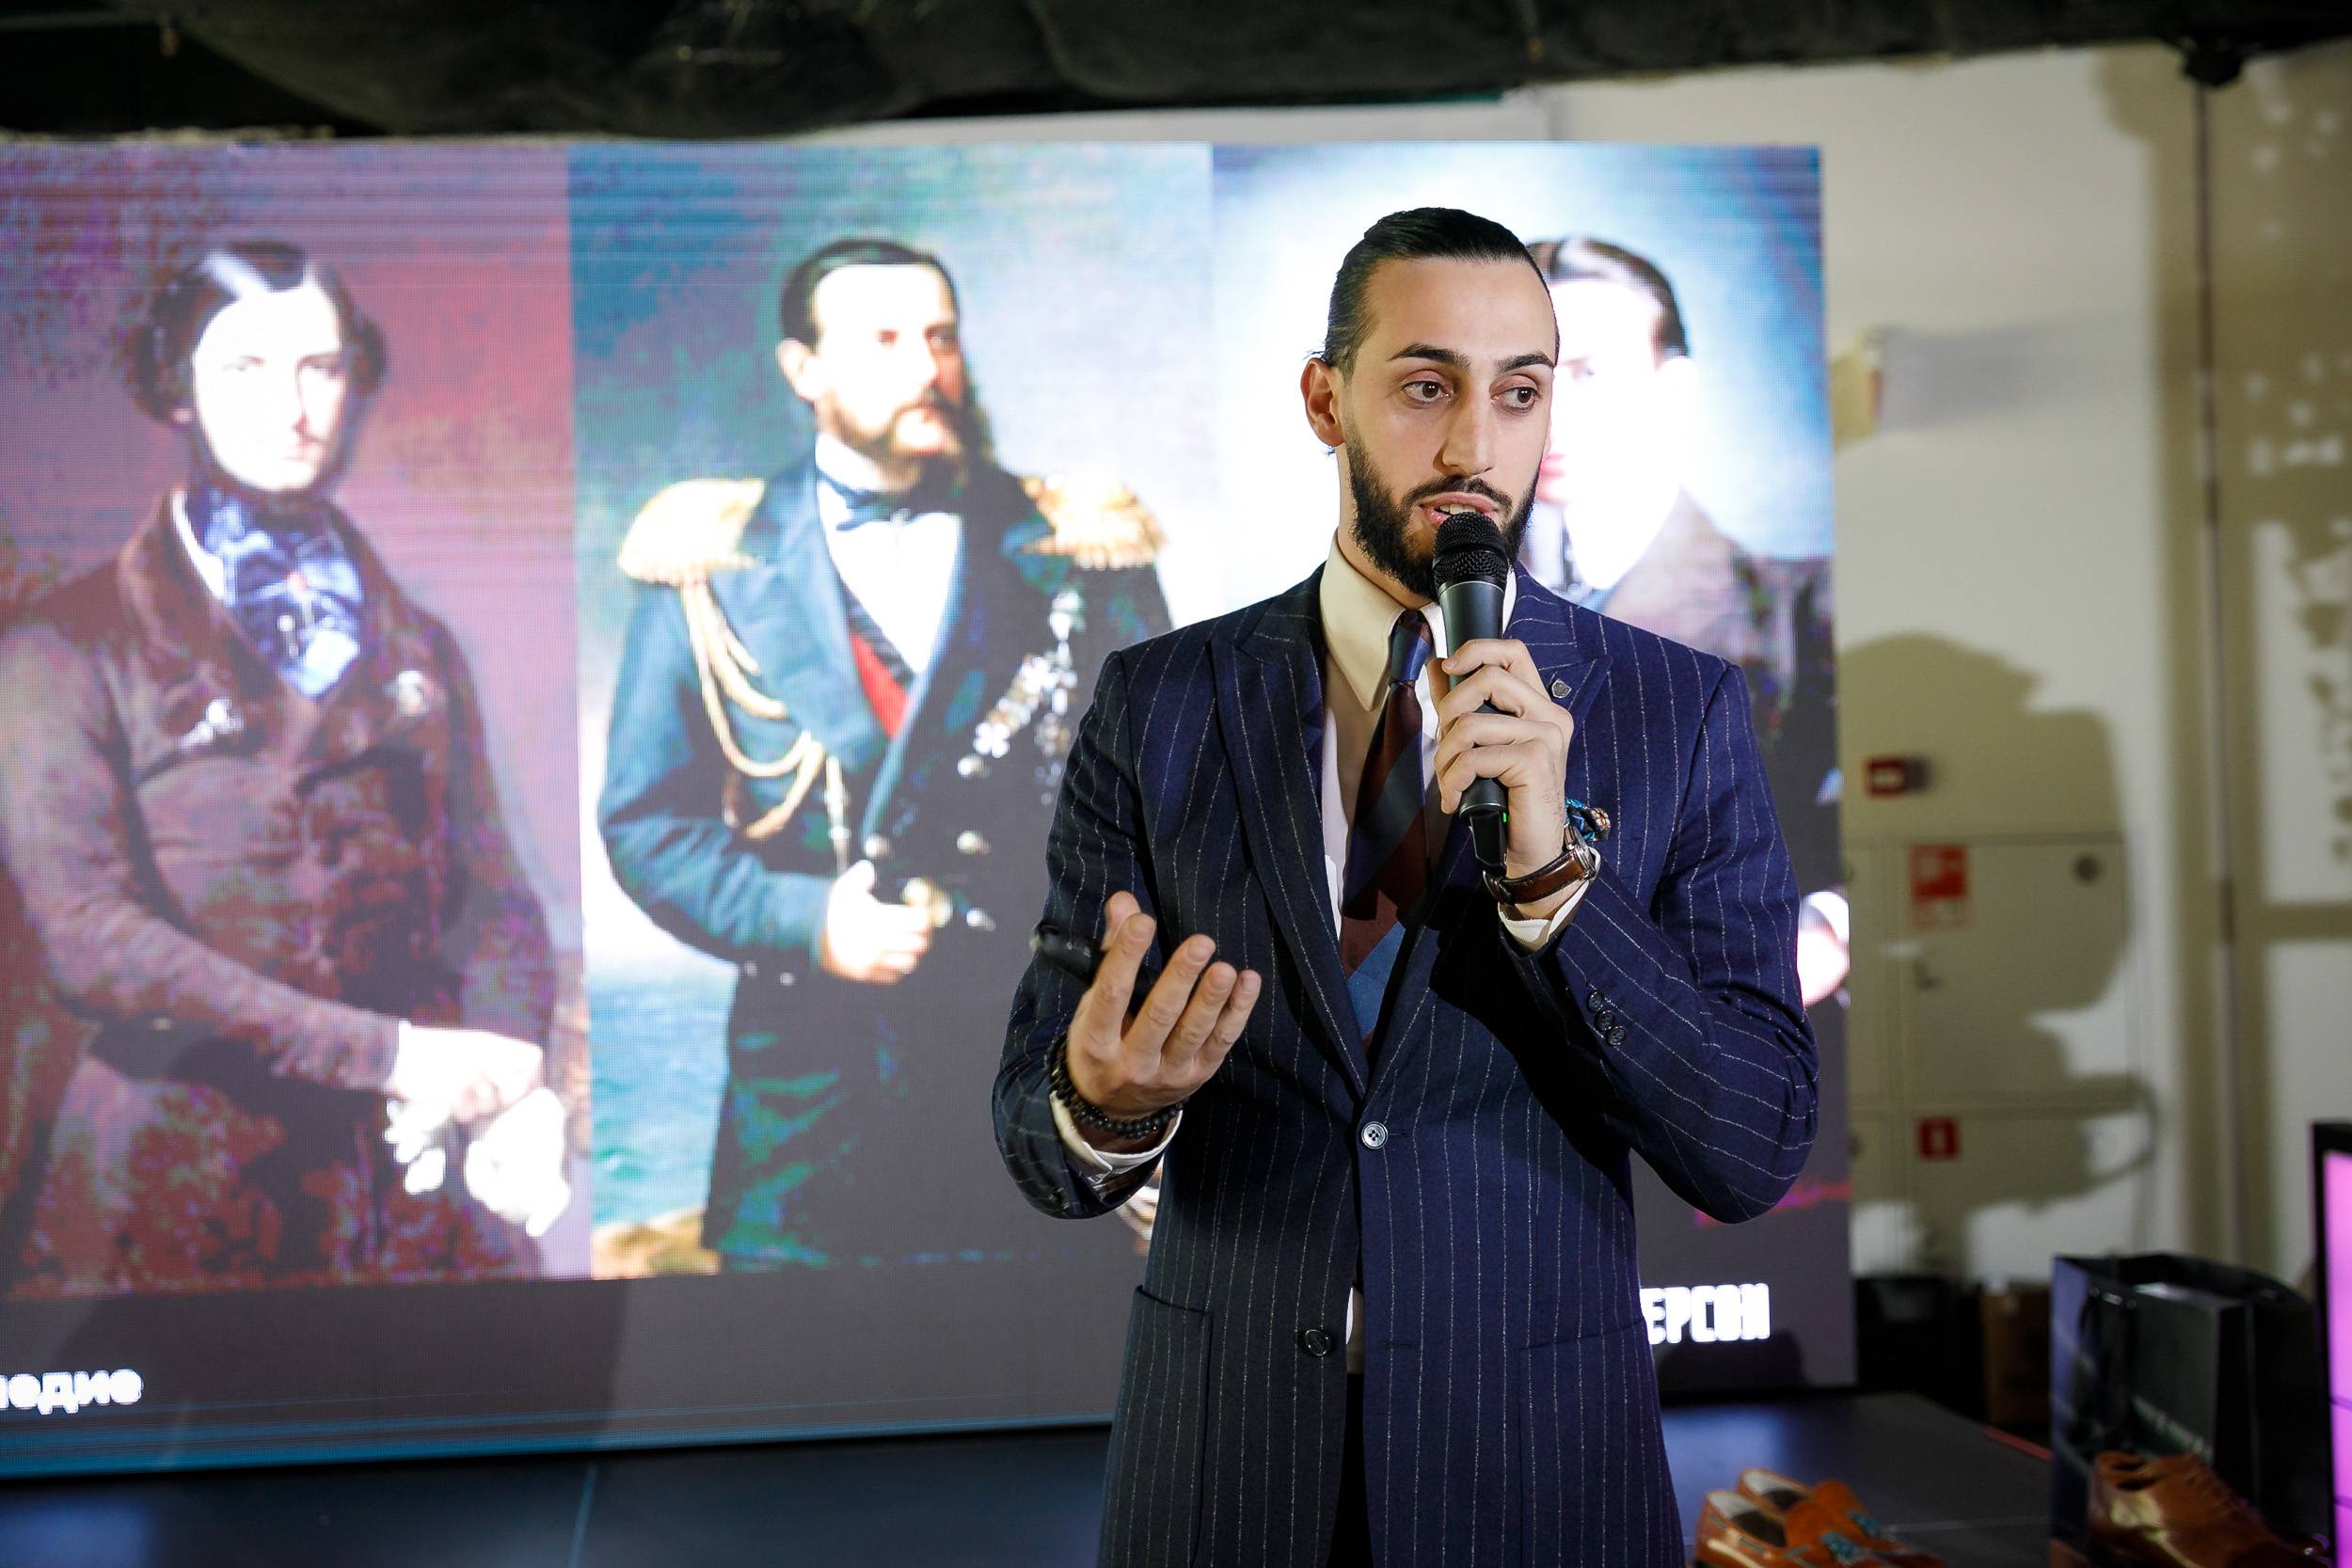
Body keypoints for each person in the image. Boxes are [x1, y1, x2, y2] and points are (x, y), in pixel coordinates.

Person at [995, 209, 1819, 1567]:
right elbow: (1040, 1142)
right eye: (1427, 386)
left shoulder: (1676, 711)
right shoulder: (1161, 703)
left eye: (1520, 393)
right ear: (1325, 401)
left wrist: (1558, 883)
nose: (1474, 445)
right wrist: (1106, 1102)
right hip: (1224, 1474)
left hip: (1541, 1473)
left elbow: (1752, 1145)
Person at [0, 240, 560, 1296]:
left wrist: (513, 1074)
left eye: (321, 367)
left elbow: (494, 895)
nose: (292, 409)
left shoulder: (421, 645)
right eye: (245, 368)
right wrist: (391, 1054)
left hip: (405, 1190)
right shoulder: (64, 646)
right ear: (177, 391)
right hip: (171, 1191)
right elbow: (90, 939)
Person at [600, 236, 1168, 1270]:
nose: (927, 366)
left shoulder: (1073, 547)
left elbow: (1165, 804)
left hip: (1026, 1082)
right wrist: (809, 920)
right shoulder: (716, 562)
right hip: (812, 1103)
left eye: (941, 337)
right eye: (886, 340)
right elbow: (648, 824)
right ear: (804, 370)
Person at [1521, 236, 1847, 1003]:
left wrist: (1831, 929)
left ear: (1672, 388)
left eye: (1588, 373)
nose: (1551, 414)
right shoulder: (1438, 620)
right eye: (1523, 380)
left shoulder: (1805, 614)